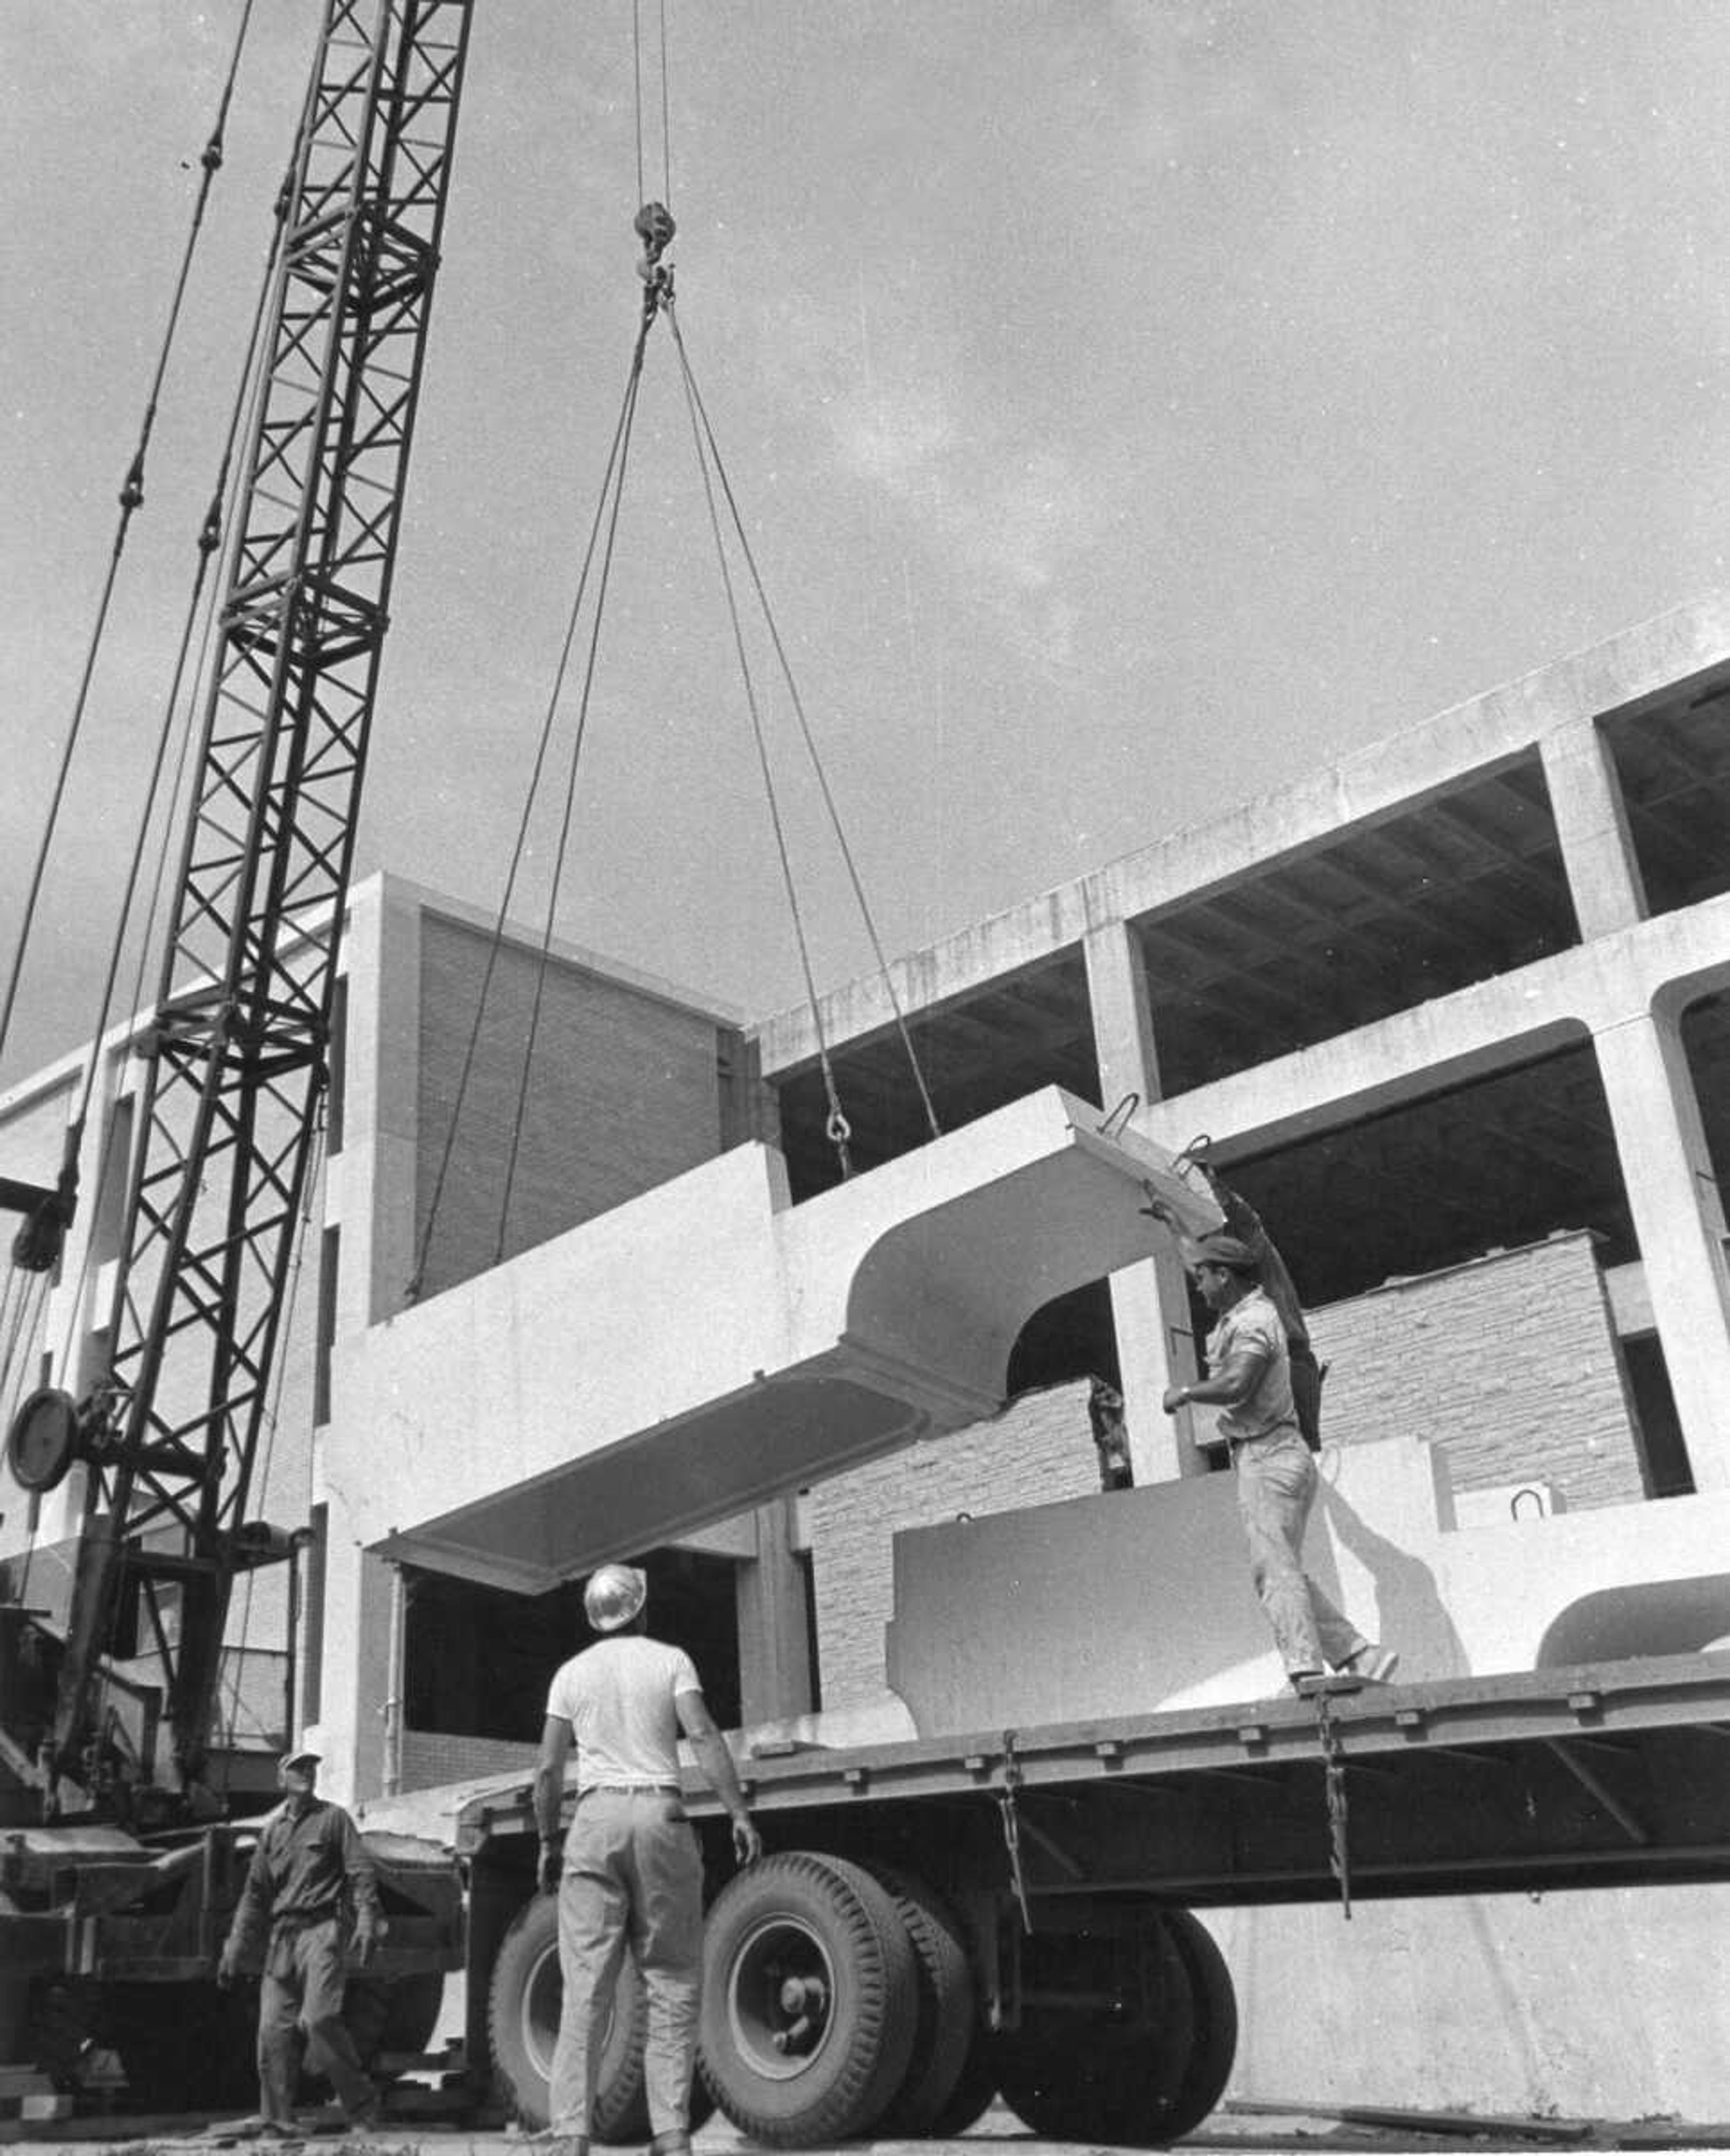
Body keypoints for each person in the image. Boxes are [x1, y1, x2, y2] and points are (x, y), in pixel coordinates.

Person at [535, 1563, 763, 2156]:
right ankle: (671, 2134)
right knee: (672, 1978)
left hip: (595, 1819)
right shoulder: (671, 1661)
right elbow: (705, 1735)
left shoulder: (569, 1675)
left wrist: (544, 1838)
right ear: (640, 1609)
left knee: (585, 1987)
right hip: (662, 1814)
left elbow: (547, 1770)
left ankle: (571, 2134)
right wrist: (737, 1812)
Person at [1161, 1233, 1398, 1694]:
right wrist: (1175, 1224)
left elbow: (1237, 1384)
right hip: (1274, 1455)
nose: (1198, 1286)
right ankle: (1360, 1656)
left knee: (1275, 1571)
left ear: (1225, 1276)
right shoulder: (1249, 1308)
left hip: (1269, 1455)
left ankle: (1305, 1672)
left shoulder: (1253, 1322)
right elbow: (1202, 1257)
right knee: (1281, 1566)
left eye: (1202, 1277)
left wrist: (1184, 1393)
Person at [216, 1746, 385, 2139]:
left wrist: (366, 1918)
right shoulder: (273, 1833)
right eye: (298, 1767)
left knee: (320, 2019)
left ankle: (362, 2107)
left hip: (322, 1932)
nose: (307, 1772)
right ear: (282, 1778)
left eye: (311, 1767)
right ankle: (276, 2118)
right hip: (282, 1939)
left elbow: (360, 1872)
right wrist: (234, 1948)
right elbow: (254, 1896)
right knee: (273, 2030)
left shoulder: (333, 1820)